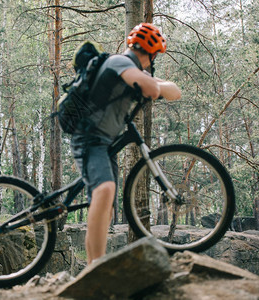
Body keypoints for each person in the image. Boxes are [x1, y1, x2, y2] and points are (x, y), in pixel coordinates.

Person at [71, 23, 181, 264]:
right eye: (154, 57)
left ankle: (94, 266)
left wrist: (156, 85)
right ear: (151, 53)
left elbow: (174, 91)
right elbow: (152, 89)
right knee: (105, 189)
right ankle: (95, 268)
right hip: (90, 140)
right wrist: (154, 85)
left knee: (105, 206)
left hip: (104, 143)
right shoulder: (120, 62)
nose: (153, 63)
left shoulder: (132, 71)